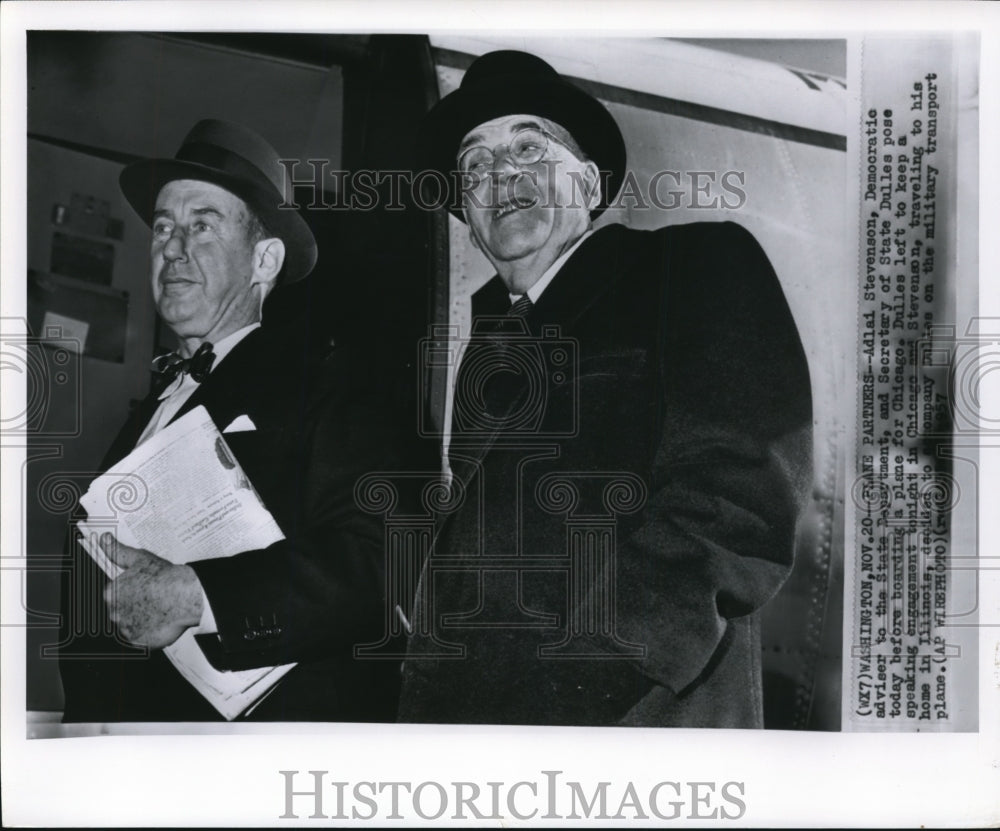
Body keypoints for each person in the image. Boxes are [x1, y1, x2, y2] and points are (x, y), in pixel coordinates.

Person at [398, 51, 814, 727]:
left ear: (589, 184)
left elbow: (735, 510)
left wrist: (565, 690)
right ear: (467, 215)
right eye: (474, 165)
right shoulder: (488, 348)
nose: (501, 174)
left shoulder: (694, 266)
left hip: (630, 731)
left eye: (529, 147)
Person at [58, 119, 404, 722]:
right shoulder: (161, 397)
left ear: (264, 260)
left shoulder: (329, 385)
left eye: (203, 225)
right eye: (163, 226)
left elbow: (377, 566)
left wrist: (198, 595)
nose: (172, 247)